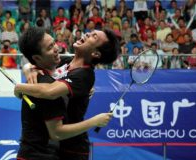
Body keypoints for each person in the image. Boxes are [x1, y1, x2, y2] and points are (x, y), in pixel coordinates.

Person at [15, 28, 119, 160]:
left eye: (94, 37)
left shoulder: (84, 75)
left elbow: (49, 91)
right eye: (91, 32)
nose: (87, 34)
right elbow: (35, 61)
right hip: (58, 145)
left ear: (96, 54)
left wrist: (19, 87)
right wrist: (29, 70)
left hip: (74, 148)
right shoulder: (65, 61)